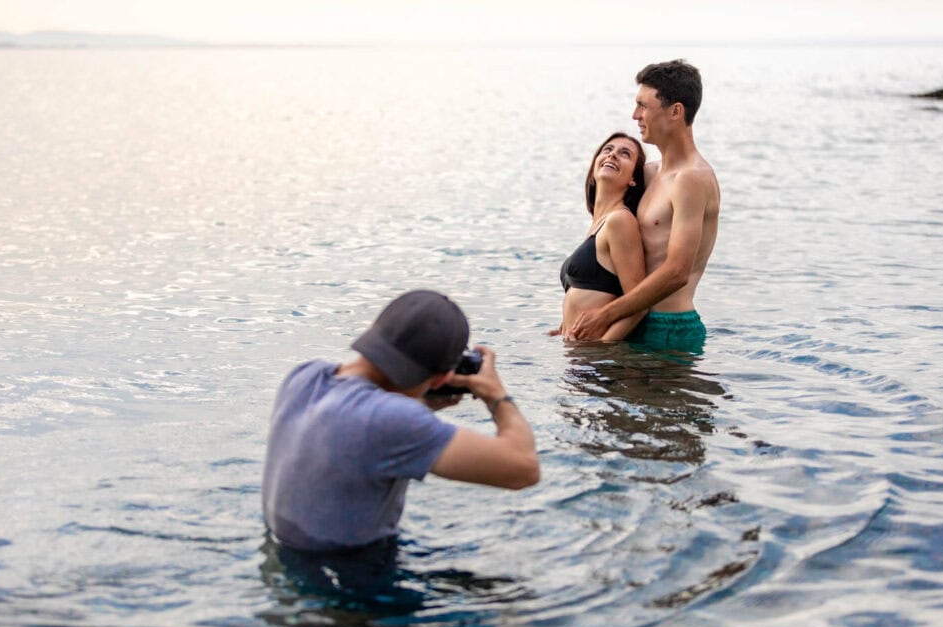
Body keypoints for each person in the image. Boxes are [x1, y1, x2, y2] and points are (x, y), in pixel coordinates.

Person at [262, 289, 539, 554]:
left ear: (372, 329)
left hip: (282, 554)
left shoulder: (304, 376)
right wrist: (496, 396)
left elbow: (363, 423)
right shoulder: (394, 421)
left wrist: (422, 403)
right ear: (443, 377)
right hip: (350, 578)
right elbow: (524, 469)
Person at [570, 59, 720, 353]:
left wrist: (604, 315)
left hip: (668, 327)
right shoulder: (651, 174)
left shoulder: (692, 179)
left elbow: (677, 272)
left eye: (643, 105)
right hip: (631, 324)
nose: (635, 115)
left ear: (675, 111)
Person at [554, 131, 648, 341]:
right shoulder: (598, 225)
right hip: (580, 357)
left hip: (599, 362)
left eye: (625, 154)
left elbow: (640, 305)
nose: (612, 155)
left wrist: (603, 348)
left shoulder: (620, 221)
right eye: (607, 150)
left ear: (633, 179)